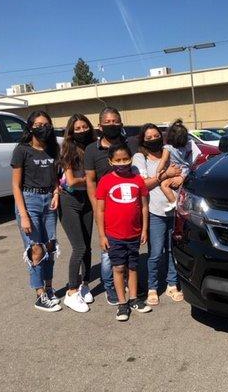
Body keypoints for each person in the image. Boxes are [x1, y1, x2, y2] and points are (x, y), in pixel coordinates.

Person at [133, 123, 188, 306]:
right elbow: (143, 185)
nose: (153, 140)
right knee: (155, 253)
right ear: (142, 140)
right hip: (155, 212)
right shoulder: (140, 158)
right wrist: (166, 175)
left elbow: (186, 167)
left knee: (173, 250)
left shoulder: (171, 152)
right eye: (148, 138)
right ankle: (153, 287)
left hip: (175, 212)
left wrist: (182, 176)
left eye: (156, 135)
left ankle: (172, 284)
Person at [11, 110, 61, 312]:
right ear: (30, 127)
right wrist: (23, 215)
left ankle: (49, 288)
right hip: (29, 200)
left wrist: (56, 192)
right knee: (36, 248)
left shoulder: (52, 149)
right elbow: (15, 185)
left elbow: (56, 176)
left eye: (46, 124)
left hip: (49, 200)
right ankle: (39, 294)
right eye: (38, 124)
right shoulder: (22, 150)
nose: (43, 128)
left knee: (49, 246)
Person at [95, 143, 152, 321]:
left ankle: (134, 299)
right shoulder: (105, 181)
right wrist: (102, 235)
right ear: (111, 161)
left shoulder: (138, 180)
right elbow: (100, 210)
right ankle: (122, 303)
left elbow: (144, 206)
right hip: (114, 235)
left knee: (133, 267)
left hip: (134, 234)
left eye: (125, 159)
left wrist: (144, 229)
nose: (122, 163)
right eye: (117, 160)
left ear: (131, 159)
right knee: (118, 268)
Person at [84, 106, 128, 305]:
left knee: (126, 248)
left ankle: (124, 281)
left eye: (115, 121)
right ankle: (110, 286)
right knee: (108, 251)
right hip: (105, 208)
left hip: (126, 207)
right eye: (108, 122)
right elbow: (90, 181)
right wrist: (95, 207)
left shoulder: (127, 146)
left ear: (121, 123)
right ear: (100, 125)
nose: (112, 125)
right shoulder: (92, 150)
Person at [59, 114, 95, 313]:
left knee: (88, 246)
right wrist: (90, 180)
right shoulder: (67, 150)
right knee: (79, 247)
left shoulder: (92, 148)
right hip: (69, 201)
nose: (82, 131)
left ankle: (85, 283)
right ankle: (71, 292)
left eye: (84, 127)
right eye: (77, 128)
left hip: (88, 201)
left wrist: (90, 181)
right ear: (71, 132)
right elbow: (71, 181)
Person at [155, 119, 200, 211]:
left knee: (164, 185)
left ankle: (173, 202)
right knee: (183, 190)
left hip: (175, 170)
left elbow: (163, 161)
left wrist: (158, 171)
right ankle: (182, 203)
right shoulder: (186, 147)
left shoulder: (168, 148)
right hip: (185, 171)